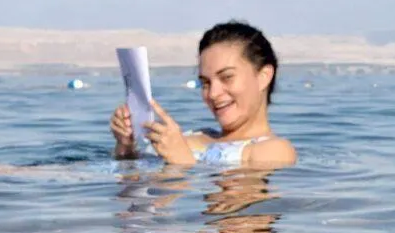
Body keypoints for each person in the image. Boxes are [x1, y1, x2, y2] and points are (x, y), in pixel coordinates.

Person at [110, 21, 297, 169]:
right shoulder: (194, 135)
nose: (213, 93)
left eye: (227, 77)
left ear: (263, 77)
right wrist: (126, 147)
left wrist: (182, 163)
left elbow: (238, 213)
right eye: (205, 83)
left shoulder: (273, 150)